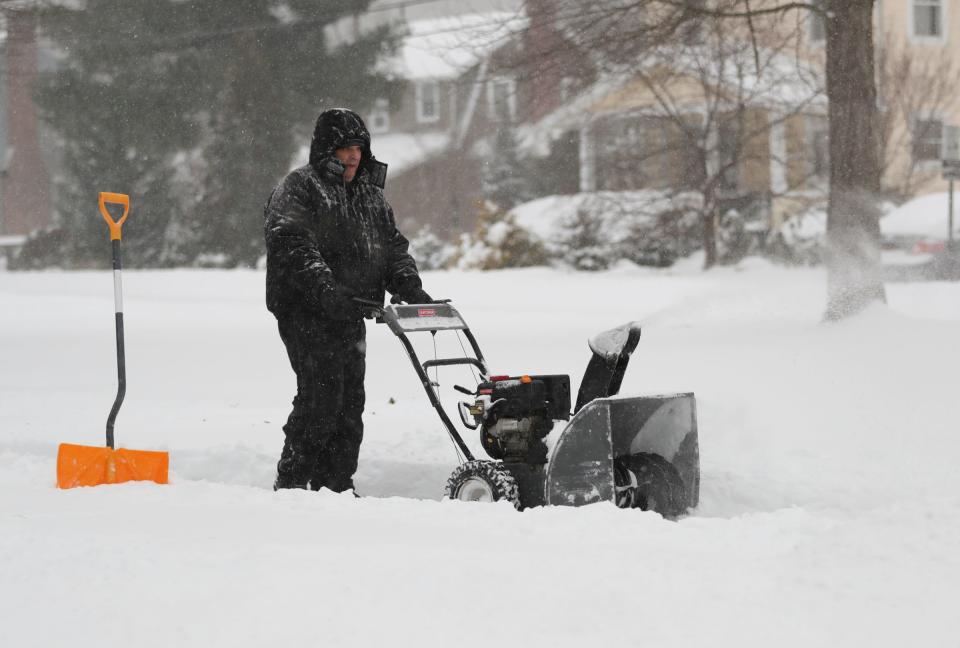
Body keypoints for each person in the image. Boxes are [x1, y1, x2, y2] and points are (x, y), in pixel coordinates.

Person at [263, 108, 433, 492]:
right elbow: (293, 247)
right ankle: (292, 482)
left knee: (349, 405)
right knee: (321, 396)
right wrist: (327, 290)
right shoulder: (300, 188)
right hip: (305, 312)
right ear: (327, 150)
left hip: (352, 312)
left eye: (359, 147)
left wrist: (408, 284)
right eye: (345, 148)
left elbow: (390, 247)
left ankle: (335, 485)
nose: (354, 155)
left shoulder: (371, 196)